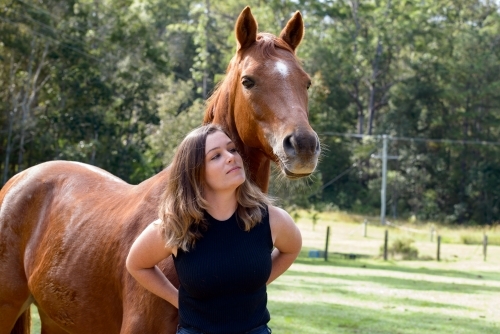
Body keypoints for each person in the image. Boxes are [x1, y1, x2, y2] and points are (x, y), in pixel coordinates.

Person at [126, 124, 302, 334]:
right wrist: (177, 299)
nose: (230, 157)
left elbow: (291, 248)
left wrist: (255, 284)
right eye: (215, 156)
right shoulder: (175, 226)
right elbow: (136, 264)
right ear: (195, 173)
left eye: (232, 149)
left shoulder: (272, 219)